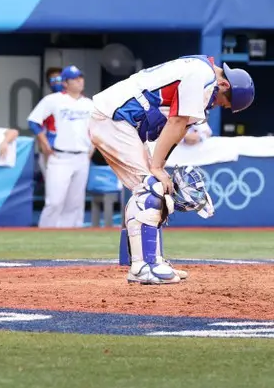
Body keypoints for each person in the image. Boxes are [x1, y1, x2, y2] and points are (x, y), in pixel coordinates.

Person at [89, 55, 255, 284]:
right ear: (225, 84)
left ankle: (151, 259)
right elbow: (176, 121)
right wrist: (156, 167)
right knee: (152, 188)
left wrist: (160, 166)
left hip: (121, 121)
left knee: (156, 188)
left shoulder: (202, 71)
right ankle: (143, 267)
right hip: (115, 118)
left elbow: (180, 126)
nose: (219, 105)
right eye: (224, 101)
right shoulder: (202, 74)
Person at [28, 65, 94, 228]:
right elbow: (33, 121)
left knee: (75, 203)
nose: (79, 81)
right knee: (55, 201)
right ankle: (45, 235)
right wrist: (45, 144)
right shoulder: (54, 100)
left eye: (81, 77)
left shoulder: (89, 103)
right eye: (75, 78)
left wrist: (91, 151)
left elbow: (97, 129)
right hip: (60, 156)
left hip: (82, 156)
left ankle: (68, 242)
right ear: (65, 82)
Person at [38, 67, 64, 178]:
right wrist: (44, 148)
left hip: (74, 151)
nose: (56, 83)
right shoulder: (47, 102)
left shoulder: (80, 101)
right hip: (52, 148)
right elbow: (39, 128)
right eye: (53, 81)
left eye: (59, 79)